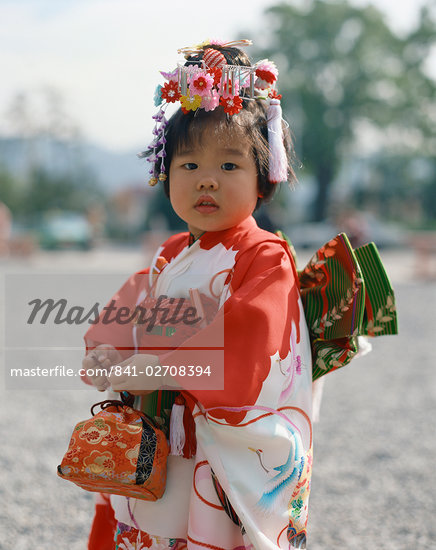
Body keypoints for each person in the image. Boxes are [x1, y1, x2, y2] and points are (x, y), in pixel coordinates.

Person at [80, 39, 396, 550]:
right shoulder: (171, 251)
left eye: (229, 166)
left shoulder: (265, 256)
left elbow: (252, 339)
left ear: (263, 178)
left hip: (217, 445)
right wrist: (106, 349)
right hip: (165, 437)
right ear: (166, 176)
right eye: (189, 166)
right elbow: (130, 305)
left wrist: (160, 368)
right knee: (153, 524)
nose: (207, 180)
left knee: (197, 528)